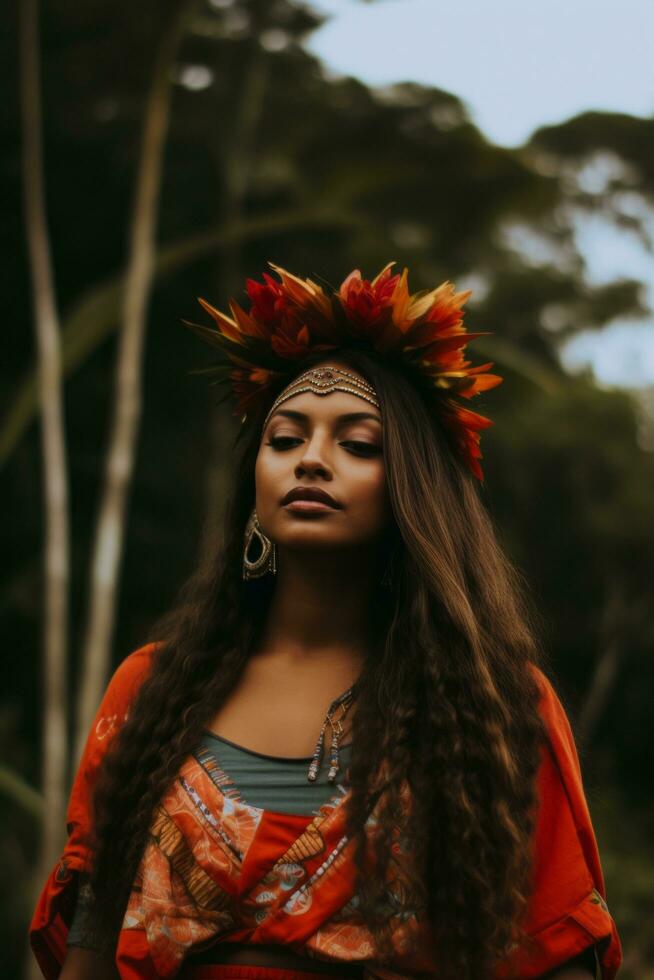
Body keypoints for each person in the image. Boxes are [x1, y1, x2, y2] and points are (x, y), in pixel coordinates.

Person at [30, 262, 623, 980]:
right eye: (285, 440)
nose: (311, 460)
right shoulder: (149, 692)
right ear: (255, 481)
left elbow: (559, 949)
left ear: (413, 490)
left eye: (358, 444)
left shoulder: (498, 706)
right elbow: (90, 948)